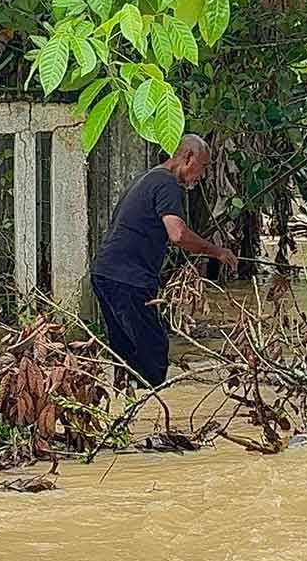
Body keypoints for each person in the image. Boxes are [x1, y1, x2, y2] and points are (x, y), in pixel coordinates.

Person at [91, 135, 238, 389]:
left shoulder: (148, 179)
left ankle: (126, 411)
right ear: (187, 157)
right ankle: (154, 409)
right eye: (203, 166)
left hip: (106, 274)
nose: (202, 175)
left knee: (125, 351)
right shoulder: (167, 184)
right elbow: (178, 234)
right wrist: (216, 251)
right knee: (154, 351)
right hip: (127, 279)